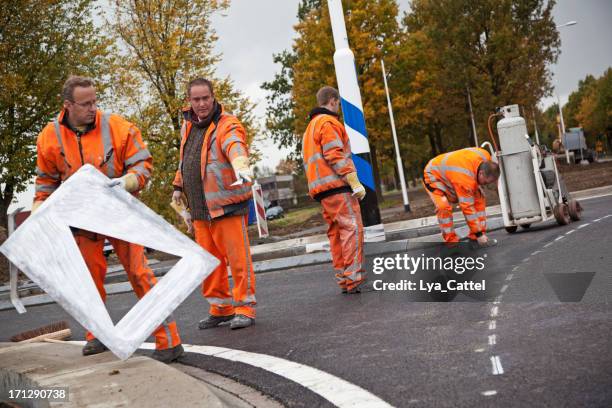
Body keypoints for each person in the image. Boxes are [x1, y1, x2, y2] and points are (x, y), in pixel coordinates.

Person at [34, 76, 183, 362]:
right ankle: (97, 336)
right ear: (68, 105)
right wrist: (40, 207)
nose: (93, 108)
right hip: (83, 219)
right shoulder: (48, 137)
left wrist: (129, 182)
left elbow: (143, 164)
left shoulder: (117, 127)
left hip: (121, 213)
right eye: (86, 103)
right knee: (88, 282)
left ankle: (170, 341)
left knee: (140, 274)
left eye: (95, 101)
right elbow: (46, 182)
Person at [172, 78, 256, 330]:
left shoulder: (226, 124)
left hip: (225, 206)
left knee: (238, 260)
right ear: (189, 100)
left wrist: (240, 163)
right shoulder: (188, 126)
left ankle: (245, 307)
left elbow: (234, 145)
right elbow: (186, 158)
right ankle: (220, 308)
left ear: (213, 97)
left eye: (205, 98)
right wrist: (178, 186)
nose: (201, 104)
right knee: (209, 264)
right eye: (196, 99)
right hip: (200, 209)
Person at [302, 86, 366, 294]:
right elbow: (335, 154)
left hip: (321, 190)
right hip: (337, 187)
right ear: (332, 100)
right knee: (351, 229)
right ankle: (353, 278)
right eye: (337, 103)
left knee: (336, 234)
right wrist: (354, 181)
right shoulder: (328, 122)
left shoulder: (309, 128)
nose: (338, 106)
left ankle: (343, 279)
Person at [423, 147, 500, 246]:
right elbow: (467, 207)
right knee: (443, 207)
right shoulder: (465, 179)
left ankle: (475, 238)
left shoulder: (485, 155)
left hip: (452, 173)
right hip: (434, 175)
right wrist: (479, 234)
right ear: (481, 173)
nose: (484, 185)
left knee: (479, 198)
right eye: (484, 182)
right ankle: (451, 243)